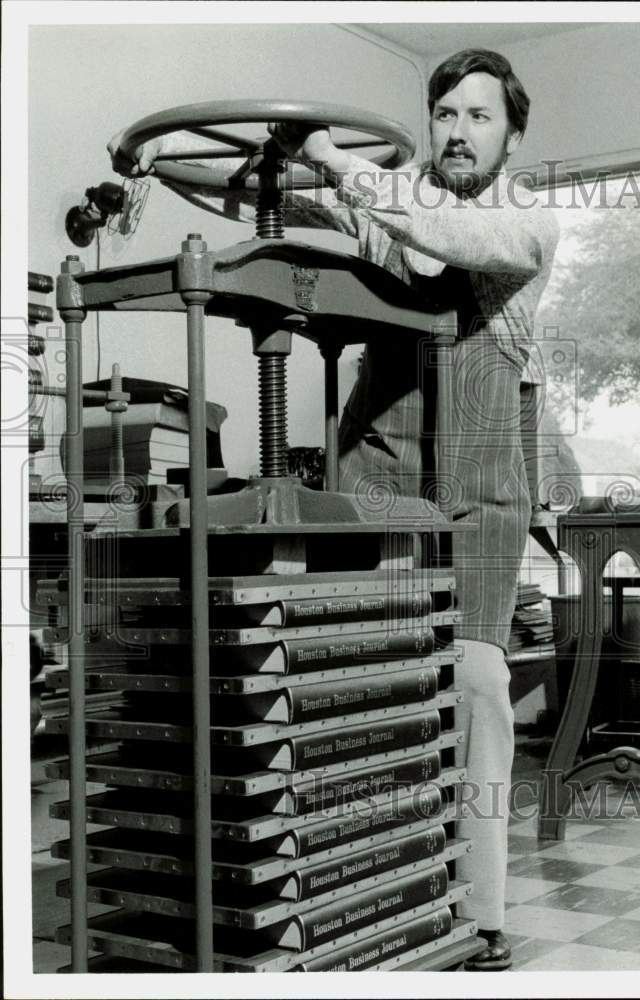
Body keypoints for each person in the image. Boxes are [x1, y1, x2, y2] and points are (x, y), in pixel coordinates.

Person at [109, 48, 559, 971]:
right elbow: (287, 206)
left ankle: (479, 913)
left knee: (471, 689)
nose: (458, 131)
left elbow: (448, 237)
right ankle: (358, 891)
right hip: (376, 474)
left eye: (480, 116)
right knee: (350, 669)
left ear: (512, 134)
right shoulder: (391, 198)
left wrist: (334, 160)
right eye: (445, 114)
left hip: (477, 491)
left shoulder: (522, 218)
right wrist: (239, 168)